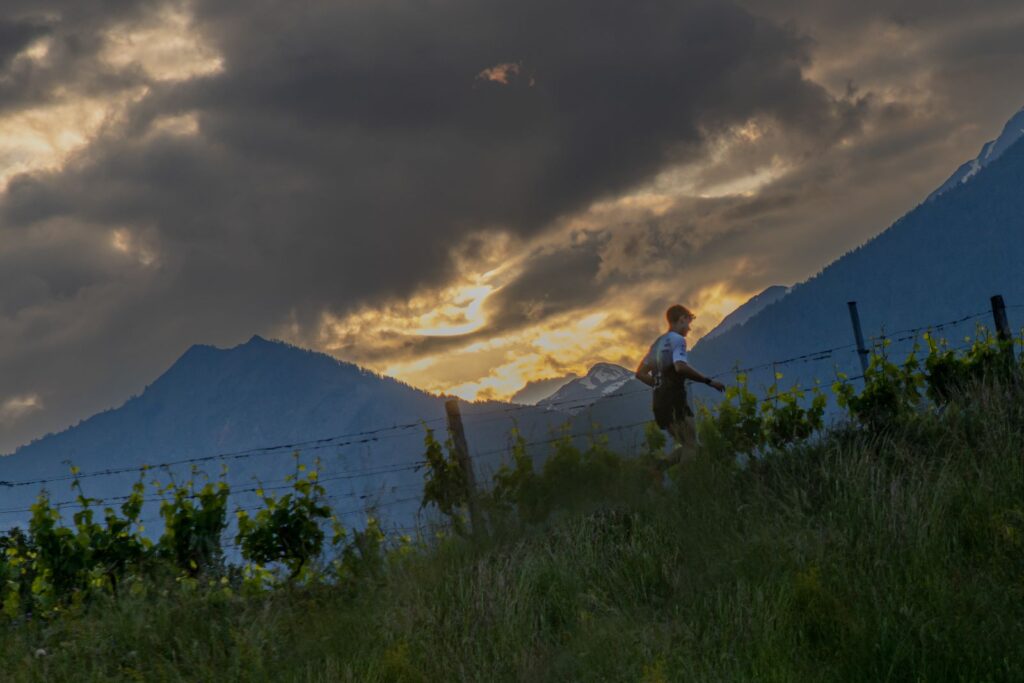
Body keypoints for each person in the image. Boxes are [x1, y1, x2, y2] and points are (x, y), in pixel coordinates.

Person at [635, 304, 725, 464]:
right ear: (682, 319)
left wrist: (658, 384)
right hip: (675, 400)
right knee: (692, 446)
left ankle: (657, 469)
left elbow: (640, 373)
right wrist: (709, 381)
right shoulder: (678, 340)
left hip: (659, 403)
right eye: (688, 323)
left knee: (687, 445)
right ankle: (689, 484)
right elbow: (680, 366)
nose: (689, 329)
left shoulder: (658, 343)